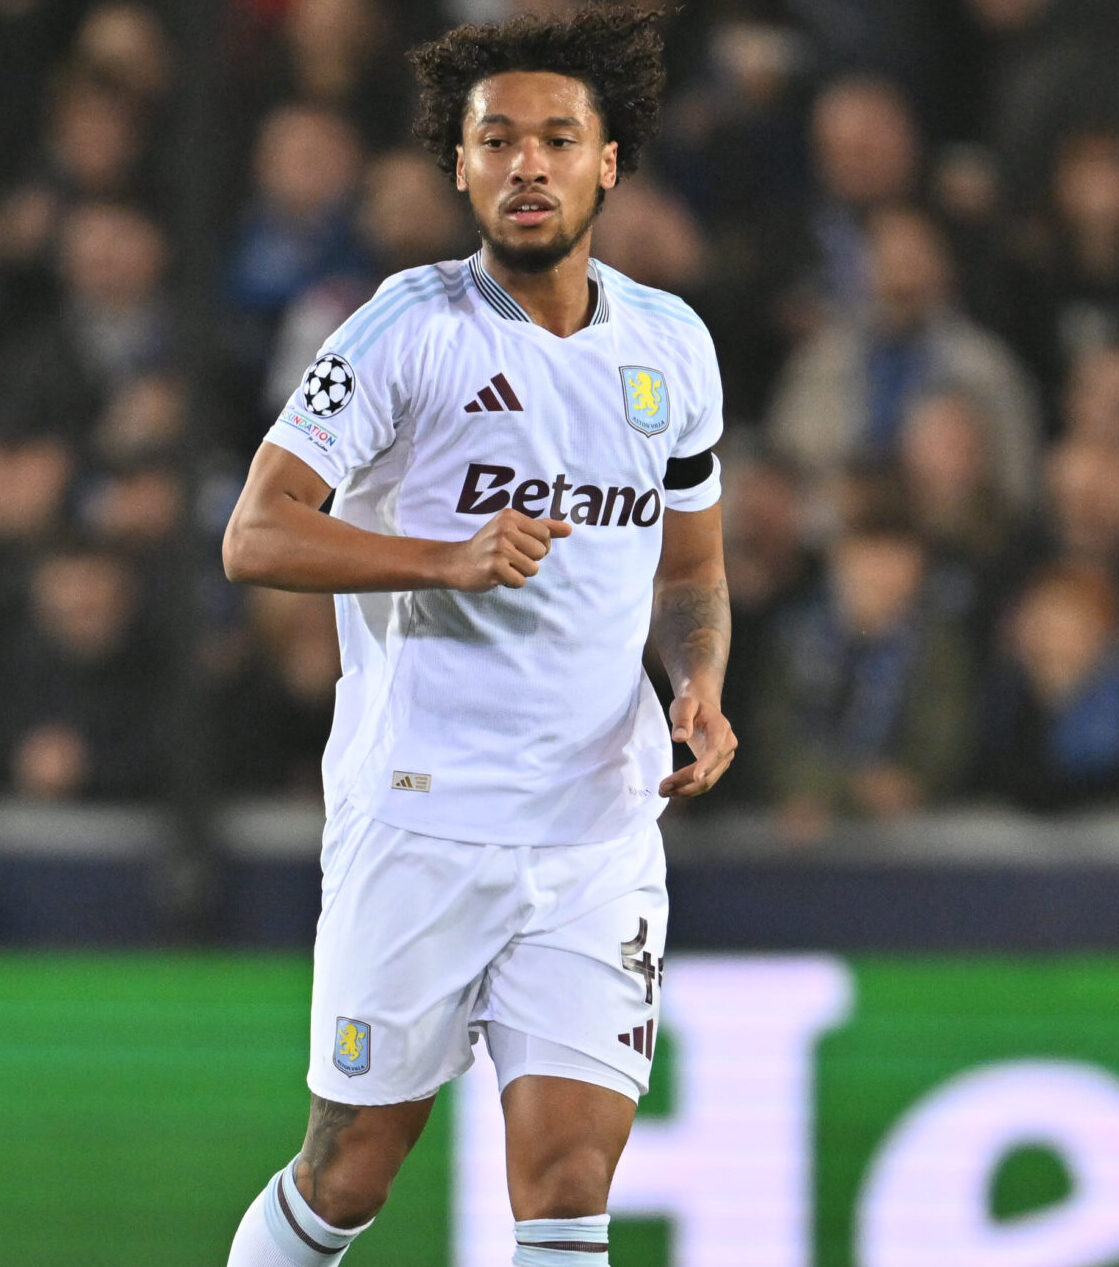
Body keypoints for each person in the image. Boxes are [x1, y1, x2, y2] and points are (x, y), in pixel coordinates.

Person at [217, 9, 736, 1265]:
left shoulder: (671, 345)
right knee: (351, 1168)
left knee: (567, 1177)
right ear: (458, 167)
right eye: (495, 140)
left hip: (595, 829)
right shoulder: (404, 330)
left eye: (557, 139)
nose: (526, 165)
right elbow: (257, 532)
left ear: (607, 162)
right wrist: (440, 557)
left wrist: (702, 684)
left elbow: (692, 568)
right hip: (422, 818)